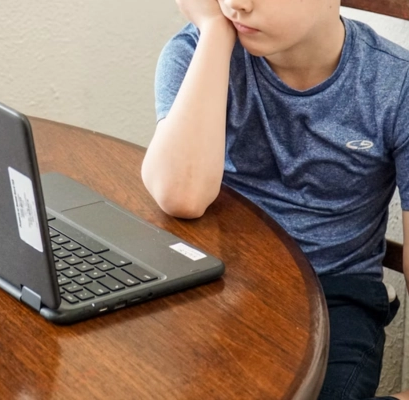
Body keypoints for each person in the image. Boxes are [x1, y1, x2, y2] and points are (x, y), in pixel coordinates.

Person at [141, 0, 409, 398]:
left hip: (334, 293)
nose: (236, 3)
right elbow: (181, 195)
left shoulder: (394, 84)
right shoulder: (196, 53)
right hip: (216, 279)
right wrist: (214, 32)